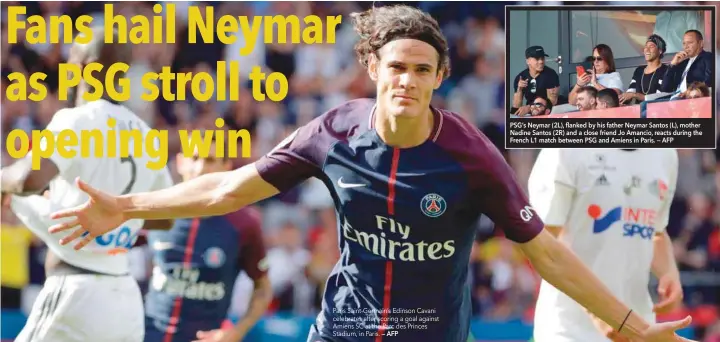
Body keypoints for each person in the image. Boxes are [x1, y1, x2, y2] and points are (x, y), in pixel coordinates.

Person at [47, 5, 695, 342]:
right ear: (372, 67)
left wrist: (631, 326)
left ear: (441, 77)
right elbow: (226, 187)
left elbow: (546, 254)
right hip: (343, 329)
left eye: (421, 68)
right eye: (395, 66)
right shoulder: (332, 133)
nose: (406, 79)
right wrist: (128, 207)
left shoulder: (471, 155)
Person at [0, 27, 174, 342]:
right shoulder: (146, 134)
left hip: (76, 292)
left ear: (84, 66)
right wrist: (117, 221)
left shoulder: (76, 120)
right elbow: (165, 215)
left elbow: (28, 180)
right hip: (125, 296)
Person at [528, 148, 684, 342]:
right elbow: (544, 244)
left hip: (638, 330)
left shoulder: (665, 153)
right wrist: (601, 313)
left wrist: (669, 271)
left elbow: (656, 231)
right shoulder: (564, 148)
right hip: (570, 330)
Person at [143, 136, 272, 342]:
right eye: (195, 157)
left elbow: (262, 287)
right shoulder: (155, 209)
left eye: (210, 160)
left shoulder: (244, 224)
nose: (201, 168)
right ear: (180, 162)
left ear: (226, 168)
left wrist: (236, 332)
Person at [620, 34, 670, 104]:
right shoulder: (639, 70)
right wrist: (621, 99)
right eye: (646, 46)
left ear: (660, 51)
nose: (647, 49)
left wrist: (636, 95)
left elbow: (661, 95)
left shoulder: (666, 70)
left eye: (651, 46)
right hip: (638, 111)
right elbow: (630, 92)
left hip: (656, 110)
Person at [511, 46, 560, 116]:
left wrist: (529, 107)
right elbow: (516, 107)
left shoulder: (550, 74)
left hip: (548, 111)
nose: (541, 62)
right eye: (537, 59)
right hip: (532, 110)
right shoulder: (521, 77)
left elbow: (552, 102)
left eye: (542, 58)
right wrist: (519, 90)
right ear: (528, 61)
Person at [661, 29, 713, 94]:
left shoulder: (708, 57)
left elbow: (710, 82)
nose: (686, 47)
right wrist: (672, 65)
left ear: (701, 43)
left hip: (693, 97)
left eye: (690, 42)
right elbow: (665, 88)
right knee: (647, 103)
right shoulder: (682, 63)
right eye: (684, 43)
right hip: (675, 98)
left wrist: (691, 91)